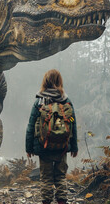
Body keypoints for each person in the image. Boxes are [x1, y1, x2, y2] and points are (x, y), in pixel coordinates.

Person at [26, 69, 78, 204]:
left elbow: (31, 126)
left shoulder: (39, 102)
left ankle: (47, 201)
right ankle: (62, 201)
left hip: (44, 145)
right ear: (59, 81)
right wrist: (74, 146)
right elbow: (72, 123)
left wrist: (29, 148)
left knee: (46, 178)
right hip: (62, 145)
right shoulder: (66, 100)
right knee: (60, 176)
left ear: (45, 82)